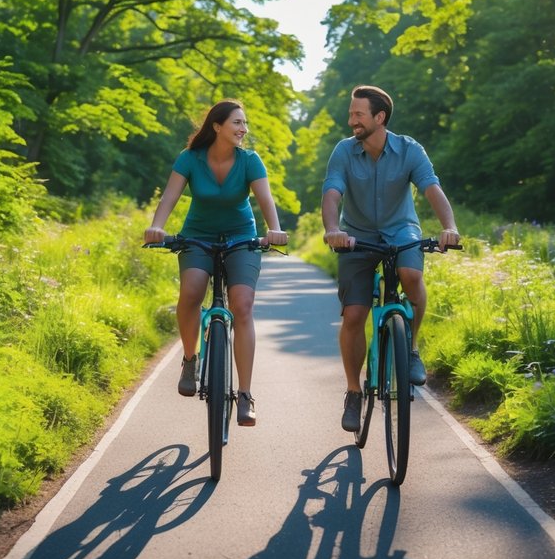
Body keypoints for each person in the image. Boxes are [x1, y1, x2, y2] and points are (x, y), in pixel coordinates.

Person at [321, 85, 460, 432]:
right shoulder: (343, 151)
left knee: (411, 275)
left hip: (401, 230)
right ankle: (354, 392)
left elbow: (431, 188)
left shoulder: (409, 150)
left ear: (379, 117)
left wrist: (450, 227)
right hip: (356, 236)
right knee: (354, 314)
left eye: (358, 114)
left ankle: (410, 348)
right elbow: (332, 193)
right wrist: (331, 229)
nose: (351, 120)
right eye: (351, 113)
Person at [145, 100, 288, 426]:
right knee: (192, 292)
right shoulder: (190, 159)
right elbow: (169, 196)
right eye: (237, 123)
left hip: (241, 237)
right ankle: (191, 359)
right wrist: (157, 226)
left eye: (244, 123)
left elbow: (265, 200)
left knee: (243, 304)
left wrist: (274, 230)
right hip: (198, 234)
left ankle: (245, 395)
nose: (243, 129)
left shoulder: (249, 160)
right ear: (217, 126)